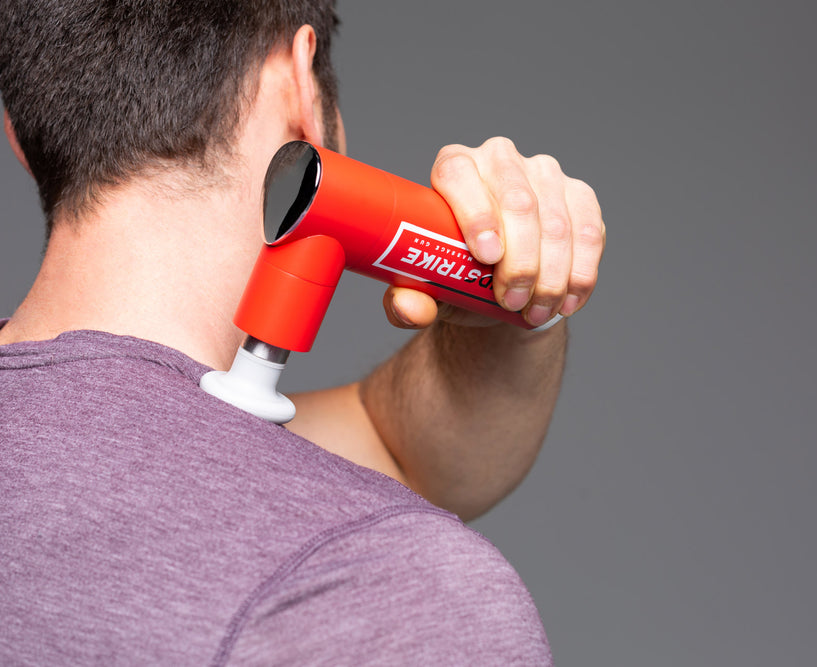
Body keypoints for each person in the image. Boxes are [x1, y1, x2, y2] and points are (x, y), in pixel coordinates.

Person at [0, 1, 604, 664]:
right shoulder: (387, 587)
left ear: (20, 135)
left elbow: (395, 447)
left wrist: (518, 320)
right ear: (299, 81)